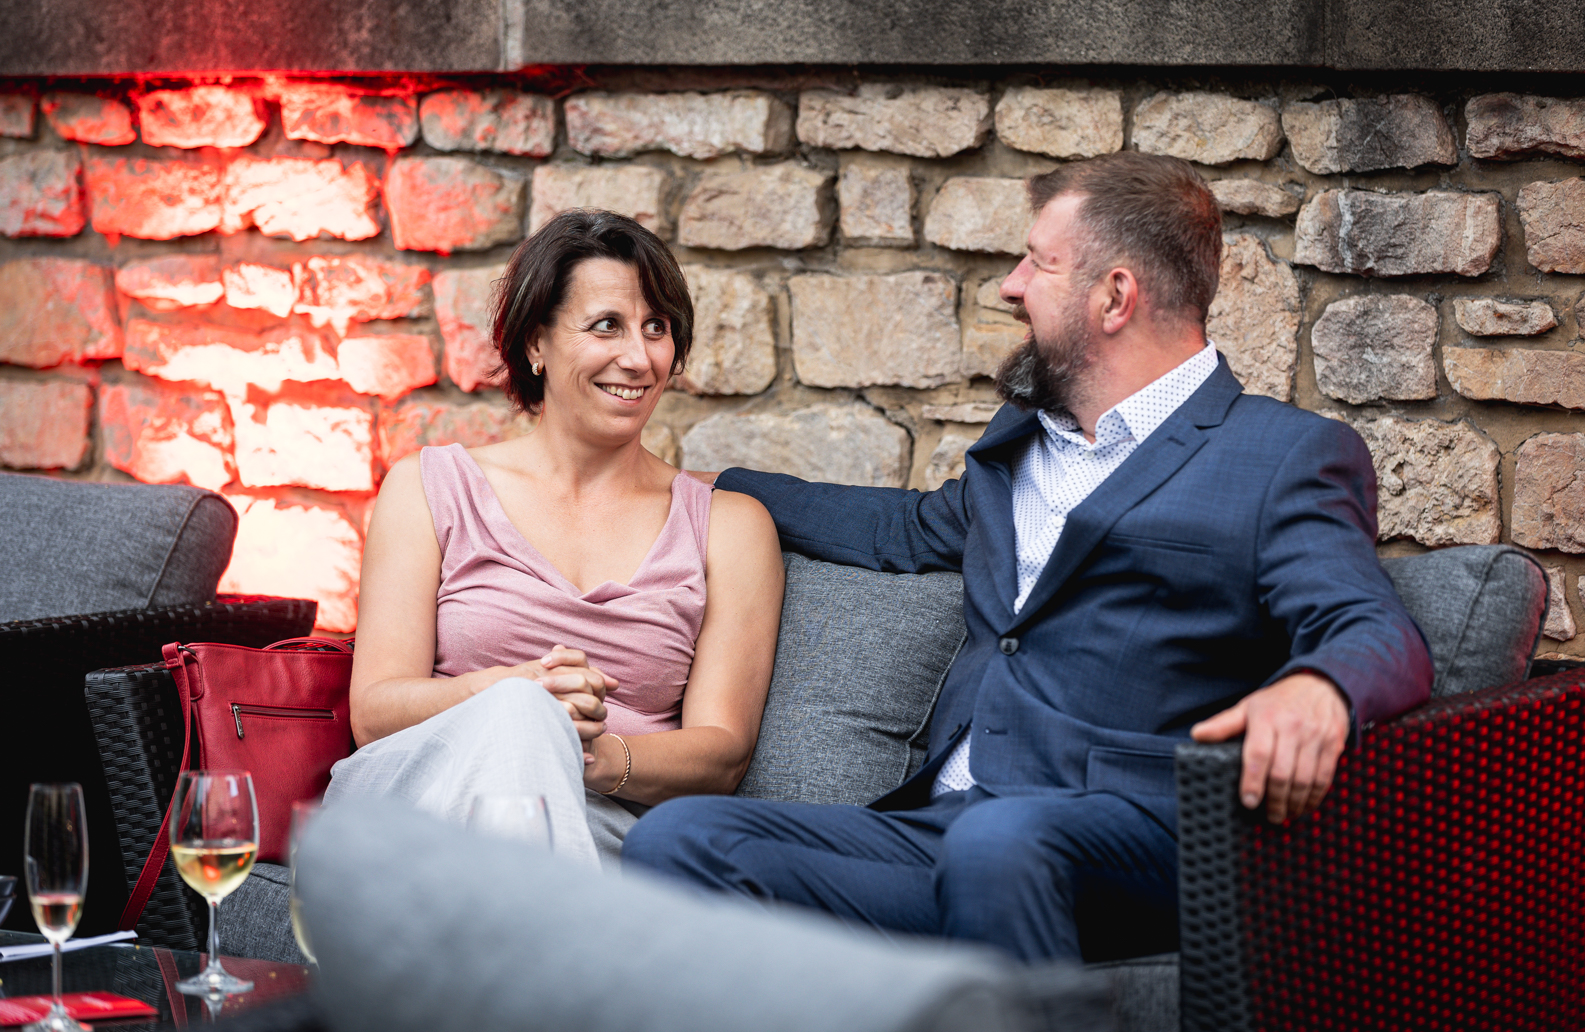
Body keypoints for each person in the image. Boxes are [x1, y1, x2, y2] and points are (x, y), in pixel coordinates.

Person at [622, 153, 1434, 959]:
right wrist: (691, 487)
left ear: (1114, 296)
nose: (1011, 286)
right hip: (950, 829)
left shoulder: (1282, 454)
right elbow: (904, 529)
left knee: (1001, 843)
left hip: (1143, 837)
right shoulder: (1019, 447)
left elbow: (1371, 626)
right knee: (681, 839)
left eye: (1038, 263)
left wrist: (1319, 690)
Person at [329, 209, 784, 869]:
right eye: (607, 325)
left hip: (594, 822)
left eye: (656, 327)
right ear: (535, 344)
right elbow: (373, 713)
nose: (639, 358)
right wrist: (514, 697)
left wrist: (588, 755)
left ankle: (517, 921)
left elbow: (722, 754)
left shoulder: (730, 527)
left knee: (529, 770)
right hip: (423, 799)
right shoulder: (429, 487)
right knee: (520, 716)